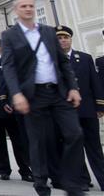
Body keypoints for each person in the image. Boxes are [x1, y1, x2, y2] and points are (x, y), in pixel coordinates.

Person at [0, 0, 84, 196]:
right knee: (38, 140)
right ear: (16, 11)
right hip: (33, 95)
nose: (28, 9)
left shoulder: (47, 31)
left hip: (58, 92)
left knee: (74, 134)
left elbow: (63, 62)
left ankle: (71, 183)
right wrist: (17, 94)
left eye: (31, 6)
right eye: (24, 6)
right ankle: (41, 183)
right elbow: (9, 67)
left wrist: (73, 87)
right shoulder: (9, 35)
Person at [55, 25, 104, 191]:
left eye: (65, 37)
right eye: (59, 38)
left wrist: (100, 105)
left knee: (94, 147)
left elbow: (95, 82)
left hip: (87, 109)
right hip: (66, 112)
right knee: (74, 147)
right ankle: (83, 180)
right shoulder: (53, 62)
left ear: (70, 39)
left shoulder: (84, 57)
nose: (62, 41)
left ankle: (103, 179)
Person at [0, 34, 32, 182]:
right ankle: (4, 170)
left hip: (9, 108)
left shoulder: (9, 62)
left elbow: (14, 84)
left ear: (0, 48)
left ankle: (25, 169)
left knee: (18, 141)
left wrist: (11, 102)